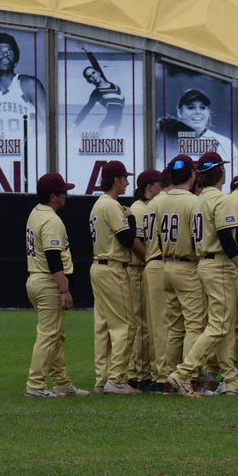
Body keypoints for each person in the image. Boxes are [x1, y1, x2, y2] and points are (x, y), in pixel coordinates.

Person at [169, 152, 238, 397]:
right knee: (218, 325)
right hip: (219, 264)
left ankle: (231, 380)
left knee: (223, 324)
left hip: (204, 263)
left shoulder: (197, 200)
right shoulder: (220, 199)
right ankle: (183, 373)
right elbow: (227, 239)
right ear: (222, 174)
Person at [23, 172, 87, 397]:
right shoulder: (51, 219)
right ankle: (35, 385)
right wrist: (64, 289)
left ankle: (62, 383)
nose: (66, 196)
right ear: (53, 197)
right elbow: (53, 257)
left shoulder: (36, 212)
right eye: (63, 192)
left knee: (55, 336)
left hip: (36, 279)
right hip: (48, 282)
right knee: (48, 335)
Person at [89, 161, 145, 395]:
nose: (127, 182)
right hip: (112, 268)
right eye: (124, 178)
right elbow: (126, 239)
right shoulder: (112, 206)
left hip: (98, 267)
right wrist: (131, 218)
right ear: (116, 181)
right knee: (126, 325)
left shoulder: (97, 205)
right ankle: (116, 379)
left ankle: (102, 379)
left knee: (103, 327)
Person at [149, 155, 205, 387]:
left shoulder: (158, 201)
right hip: (187, 265)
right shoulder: (194, 202)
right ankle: (187, 377)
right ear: (192, 175)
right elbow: (199, 239)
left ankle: (167, 378)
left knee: (175, 326)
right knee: (194, 325)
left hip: (165, 263)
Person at [128, 168, 164, 391]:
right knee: (142, 323)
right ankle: (138, 374)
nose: (161, 186)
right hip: (138, 269)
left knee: (147, 323)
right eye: (158, 183)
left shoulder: (148, 207)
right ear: (149, 187)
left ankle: (143, 371)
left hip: (144, 268)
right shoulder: (139, 208)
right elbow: (134, 240)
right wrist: (150, 259)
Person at [157, 87, 236, 165]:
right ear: (179, 112)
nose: (198, 112)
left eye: (202, 107)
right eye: (191, 107)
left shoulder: (225, 143)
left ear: (208, 112)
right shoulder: (165, 141)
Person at [72, 43, 124, 134]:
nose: (93, 76)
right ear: (89, 81)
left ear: (98, 72)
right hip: (108, 124)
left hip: (116, 125)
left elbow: (95, 64)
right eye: (89, 77)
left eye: (93, 73)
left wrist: (87, 51)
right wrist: (72, 127)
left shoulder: (108, 83)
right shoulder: (97, 93)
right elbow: (86, 109)